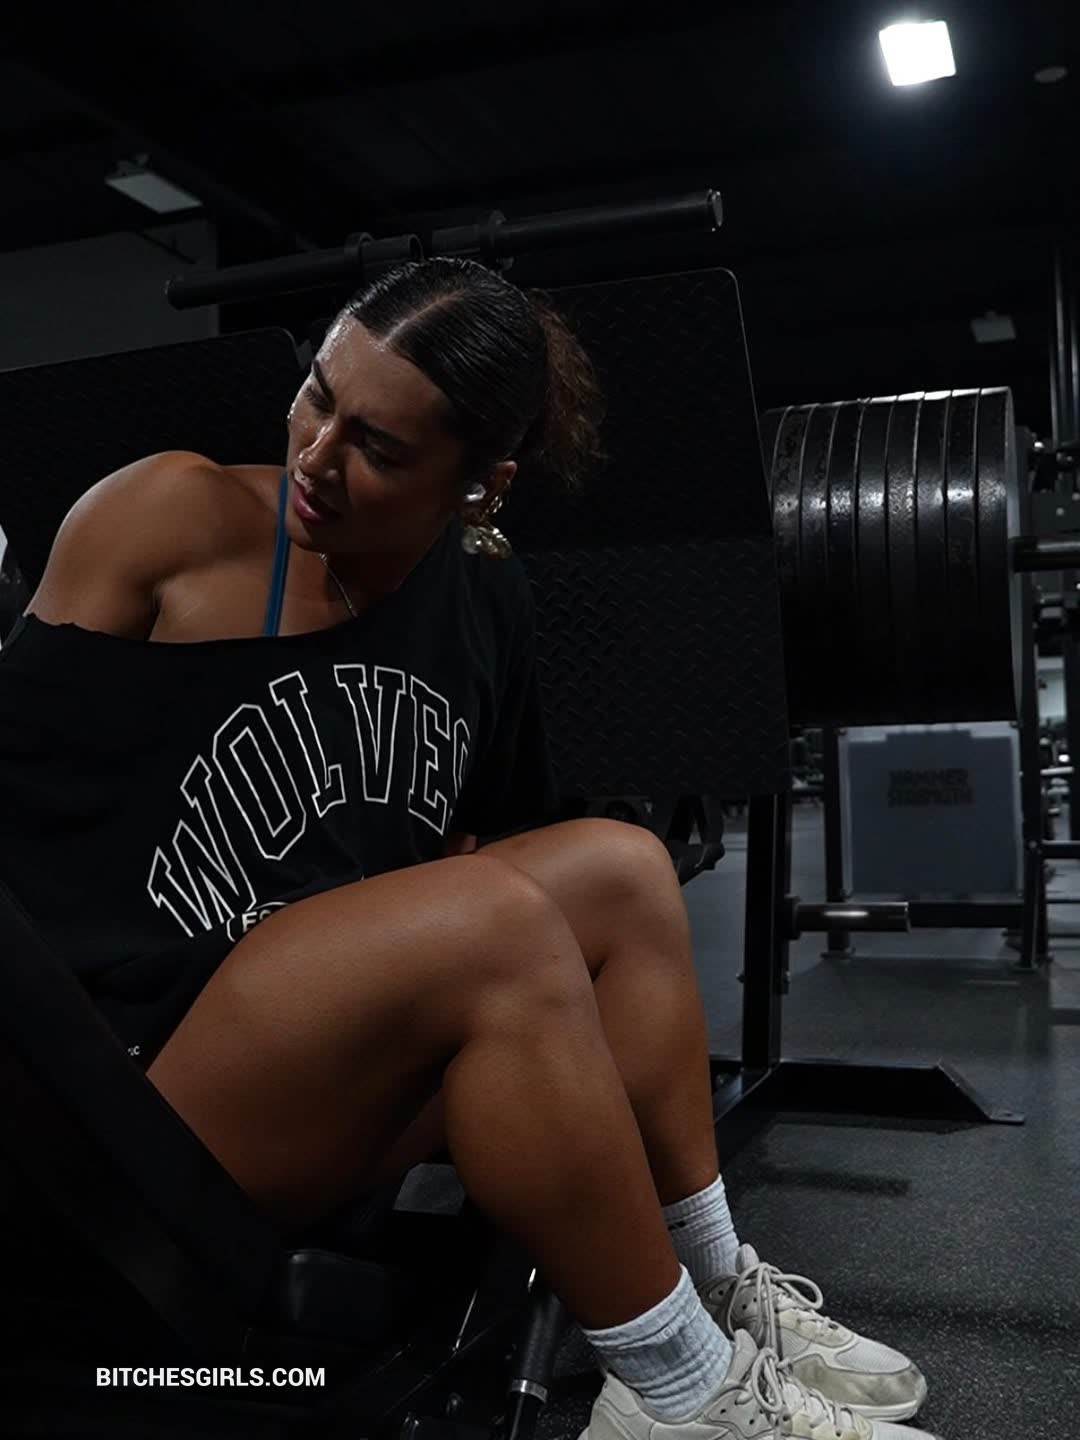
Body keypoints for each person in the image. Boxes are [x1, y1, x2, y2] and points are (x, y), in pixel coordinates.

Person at [0, 259, 939, 1440]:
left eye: (380, 448)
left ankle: (711, 1289)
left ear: (480, 485)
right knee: (493, 928)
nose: (316, 457)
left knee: (619, 867)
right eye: (317, 395)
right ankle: (684, 1398)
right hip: (122, 1090)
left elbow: (481, 837)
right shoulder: (168, 517)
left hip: (319, 1070)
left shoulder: (488, 604)